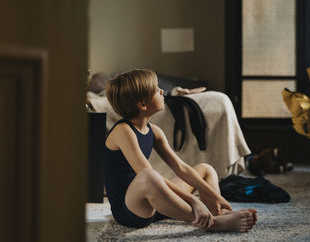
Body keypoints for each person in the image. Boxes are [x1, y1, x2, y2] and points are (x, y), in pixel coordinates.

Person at [103, 69, 257, 231]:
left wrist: (215, 196)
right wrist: (193, 200)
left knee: (206, 169)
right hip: (130, 210)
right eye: (156, 89)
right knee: (149, 175)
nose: (162, 91)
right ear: (142, 104)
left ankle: (219, 212)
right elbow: (146, 173)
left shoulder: (154, 131)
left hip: (156, 204)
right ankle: (212, 224)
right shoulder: (123, 131)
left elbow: (181, 168)